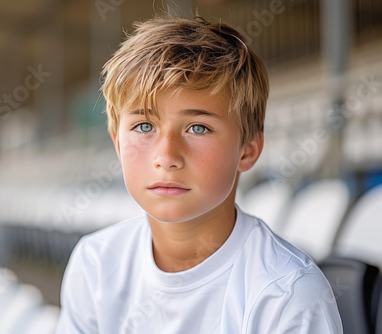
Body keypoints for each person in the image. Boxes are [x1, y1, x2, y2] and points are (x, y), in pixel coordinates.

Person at [55, 16, 343, 333]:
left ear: (247, 150)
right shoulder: (96, 264)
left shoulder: (286, 295)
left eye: (198, 128)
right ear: (117, 142)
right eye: (144, 126)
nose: (166, 156)